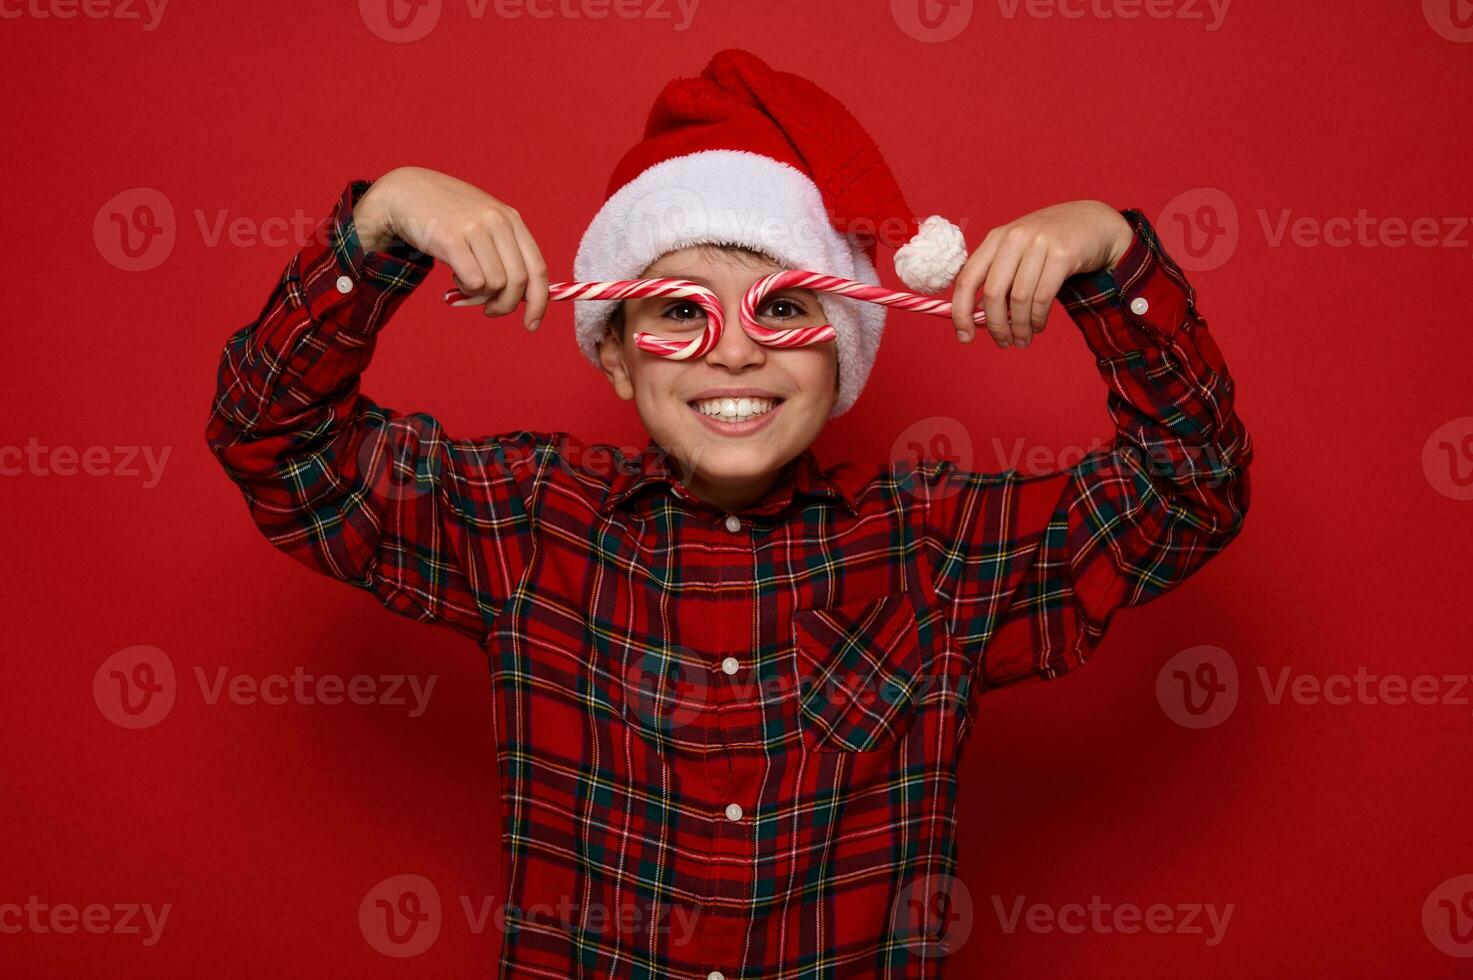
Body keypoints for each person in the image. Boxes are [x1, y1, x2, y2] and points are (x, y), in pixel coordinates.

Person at [205, 47, 1251, 979]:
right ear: (615, 354)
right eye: (678, 312)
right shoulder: (528, 525)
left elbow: (1192, 481)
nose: (735, 351)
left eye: (784, 306)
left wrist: (1109, 256)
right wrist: (381, 223)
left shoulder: (935, 551)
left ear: (842, 345)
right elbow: (274, 439)